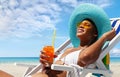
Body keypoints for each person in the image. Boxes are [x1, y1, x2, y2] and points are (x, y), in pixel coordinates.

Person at [31, 3, 116, 77]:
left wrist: (104, 37)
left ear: (95, 34)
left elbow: (86, 57)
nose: (81, 26)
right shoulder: (69, 49)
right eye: (80, 24)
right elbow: (52, 70)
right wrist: (46, 63)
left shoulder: (87, 52)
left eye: (86, 25)